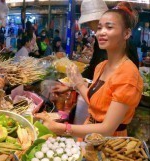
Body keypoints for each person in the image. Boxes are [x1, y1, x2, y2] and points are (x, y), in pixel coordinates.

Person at [37, 2, 143, 137]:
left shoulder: (128, 74)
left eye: (109, 27)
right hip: (89, 136)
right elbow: (95, 102)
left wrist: (62, 127)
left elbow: (107, 129)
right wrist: (76, 83)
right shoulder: (101, 66)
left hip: (109, 144)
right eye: (99, 27)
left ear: (126, 33)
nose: (101, 32)